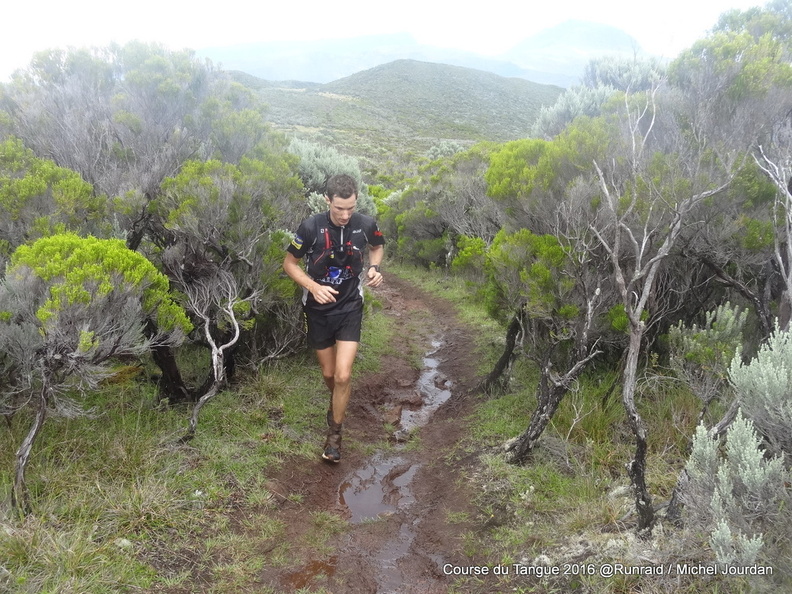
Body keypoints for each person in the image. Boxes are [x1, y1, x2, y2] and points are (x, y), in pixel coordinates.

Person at [283, 174, 385, 463]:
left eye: (351, 208)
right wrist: (313, 287)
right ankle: (338, 401)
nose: (345, 215)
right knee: (329, 375)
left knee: (343, 375)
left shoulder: (366, 224)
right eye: (339, 208)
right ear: (327, 199)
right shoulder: (311, 227)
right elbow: (289, 263)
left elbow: (377, 246)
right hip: (317, 310)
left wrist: (375, 268)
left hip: (350, 306)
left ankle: (334, 437)